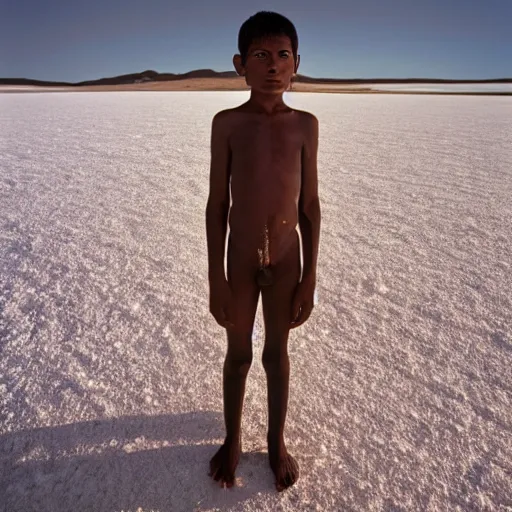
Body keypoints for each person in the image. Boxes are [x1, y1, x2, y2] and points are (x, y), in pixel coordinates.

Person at [205, 11, 321, 492]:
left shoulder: (305, 125)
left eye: (282, 56)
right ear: (240, 64)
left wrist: (310, 276)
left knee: (278, 353)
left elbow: (310, 205)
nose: (272, 66)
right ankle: (232, 438)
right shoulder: (228, 123)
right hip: (240, 260)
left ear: (297, 64)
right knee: (238, 355)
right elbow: (218, 205)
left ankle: (275, 441)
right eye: (260, 55)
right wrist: (216, 278)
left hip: (288, 259)